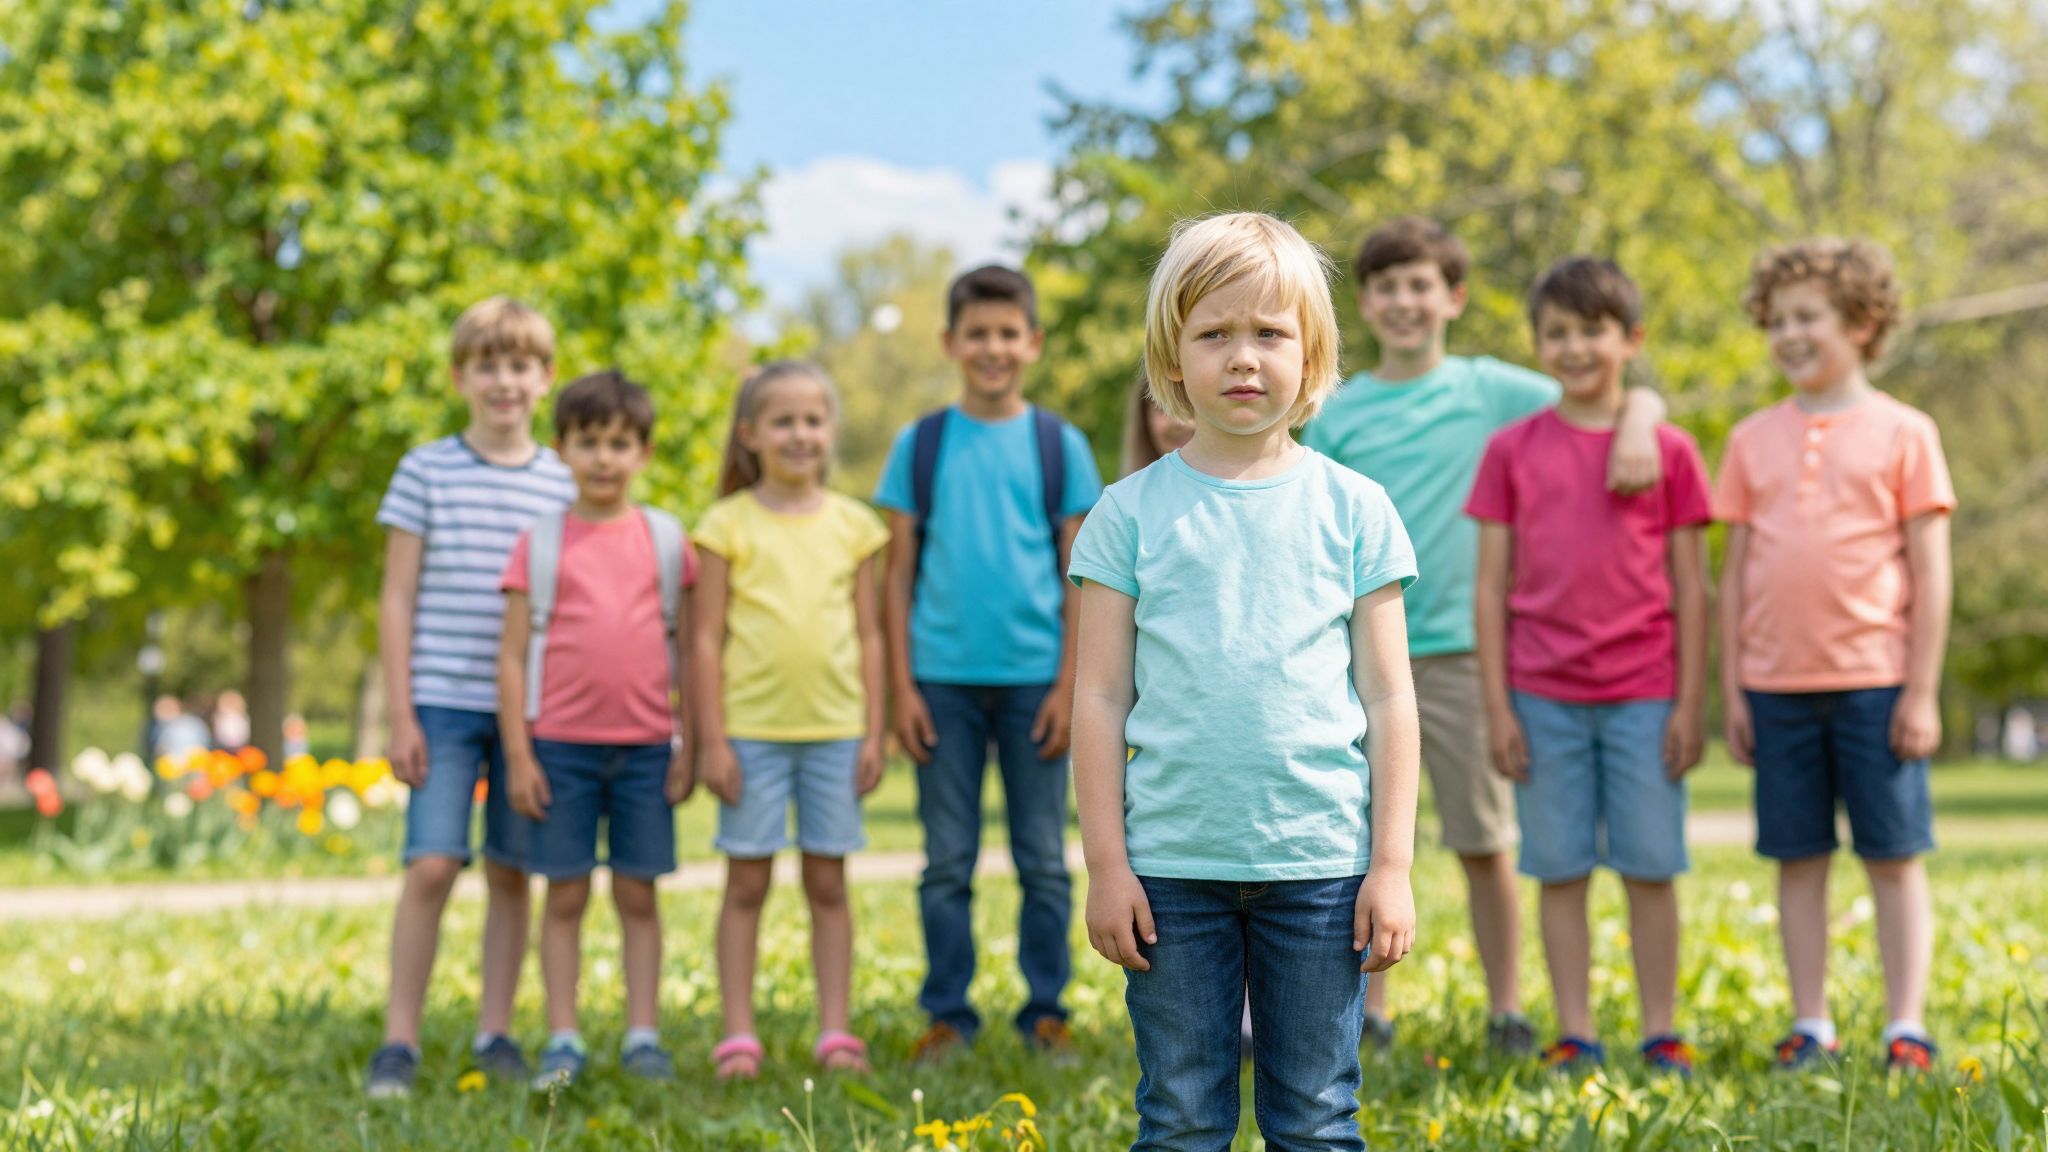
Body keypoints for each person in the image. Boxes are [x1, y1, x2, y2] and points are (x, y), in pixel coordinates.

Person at [1072, 212, 1421, 1148]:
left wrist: (1390, 865)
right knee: (1182, 1112)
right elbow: (1099, 702)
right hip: (1172, 868)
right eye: (1214, 333)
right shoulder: (1125, 516)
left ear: (1310, 358)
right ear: (1170, 356)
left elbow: (1390, 701)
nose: (1243, 358)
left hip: (1320, 865)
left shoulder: (1357, 510)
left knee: (1315, 1112)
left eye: (1270, 333)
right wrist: (1108, 865)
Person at [1300, 217, 1668, 1051]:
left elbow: (1606, 392)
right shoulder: (1338, 413)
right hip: (1354, 658)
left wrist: (1643, 411)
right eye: (1388, 286)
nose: (1405, 301)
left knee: (1483, 841)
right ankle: (1370, 1012)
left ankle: (1507, 1007)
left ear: (1453, 298)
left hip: (1464, 658)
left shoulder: (1491, 390)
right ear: (1364, 301)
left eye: (1422, 284)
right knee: (1357, 845)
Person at [1467, 258, 1712, 1076]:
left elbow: (1692, 586)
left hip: (1646, 694)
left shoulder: (1670, 451)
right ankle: (1575, 1030)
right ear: (1538, 345)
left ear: (1631, 340)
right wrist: (1499, 708)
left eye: (1592, 331)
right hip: (1542, 696)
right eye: (1557, 334)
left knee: (1650, 867)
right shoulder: (1511, 450)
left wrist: (1689, 703)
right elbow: (1490, 585)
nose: (1574, 348)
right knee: (1560, 868)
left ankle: (1659, 1028)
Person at [1715, 238, 1954, 1073]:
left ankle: (1907, 1025)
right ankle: (1810, 1022)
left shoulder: (1907, 432)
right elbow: (1737, 573)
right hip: (1776, 689)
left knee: (1892, 855)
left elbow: (1931, 570)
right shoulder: (1749, 439)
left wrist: (1921, 692)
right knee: (1797, 857)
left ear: (1863, 321)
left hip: (1877, 685)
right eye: (1776, 321)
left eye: (1808, 317)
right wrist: (1734, 691)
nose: (1789, 334)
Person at [875, 264, 1104, 1062]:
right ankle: (948, 1014)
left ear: (1033, 343)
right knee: (947, 861)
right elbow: (897, 571)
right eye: (978, 333)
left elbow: (1084, 572)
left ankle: (1047, 1010)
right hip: (941, 682)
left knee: (1043, 859)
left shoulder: (1058, 444)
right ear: (949, 342)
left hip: (1037, 682)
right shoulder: (922, 443)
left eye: (1009, 333)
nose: (993, 347)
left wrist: (1070, 684)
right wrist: (901, 688)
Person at [364, 297, 576, 1098]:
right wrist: (402, 710)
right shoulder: (426, 469)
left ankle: (495, 1030)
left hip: (531, 710)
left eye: (520, 366)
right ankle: (399, 1040)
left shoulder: (563, 480)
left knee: (512, 869)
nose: (504, 381)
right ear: (460, 377)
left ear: (545, 378)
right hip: (442, 703)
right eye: (487, 365)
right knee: (431, 866)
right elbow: (396, 596)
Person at [692, 361, 890, 1080]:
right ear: (751, 434)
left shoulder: (855, 527)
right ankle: (737, 1035)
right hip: (750, 736)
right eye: (783, 421)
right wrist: (711, 739)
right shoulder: (724, 525)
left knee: (828, 883)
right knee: (745, 884)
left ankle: (835, 1031)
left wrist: (874, 732)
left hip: (836, 733)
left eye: (813, 420)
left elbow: (870, 635)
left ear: (830, 431)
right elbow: (705, 639)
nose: (800, 434)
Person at [498, 370, 695, 1088]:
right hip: (560, 749)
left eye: (619, 443)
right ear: (561, 449)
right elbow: (513, 655)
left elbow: (689, 653)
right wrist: (518, 754)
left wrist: (690, 743)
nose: (604, 458)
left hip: (646, 749)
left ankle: (644, 1035)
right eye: (589, 443)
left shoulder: (667, 540)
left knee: (639, 893)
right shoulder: (541, 543)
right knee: (567, 893)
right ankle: (564, 1038)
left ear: (643, 452)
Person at [1118, 370, 1196, 477]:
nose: (1179, 422)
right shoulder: (1123, 492)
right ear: (1144, 418)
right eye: (1164, 407)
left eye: (1190, 405)